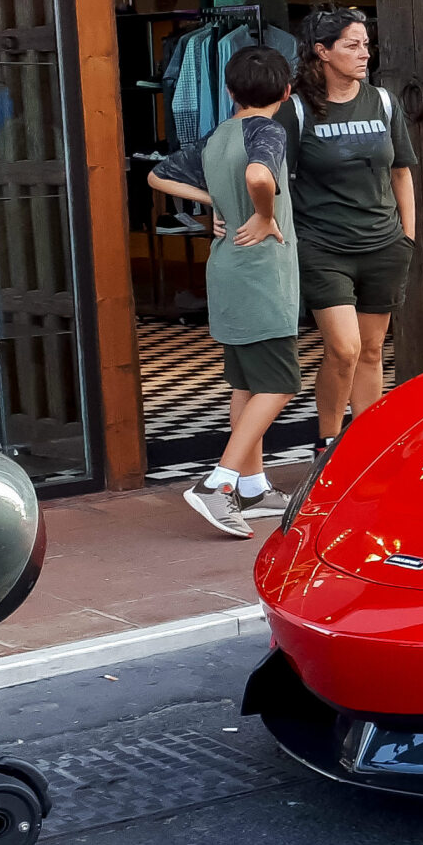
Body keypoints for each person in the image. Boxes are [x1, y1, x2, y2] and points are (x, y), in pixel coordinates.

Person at [144, 47, 301, 537]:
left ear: (230, 92)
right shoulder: (268, 130)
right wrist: (262, 212)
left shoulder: (218, 134)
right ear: (287, 92)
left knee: (246, 382)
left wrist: (214, 198)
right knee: (279, 383)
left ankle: (252, 487)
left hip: (227, 268)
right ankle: (219, 484)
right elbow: (259, 175)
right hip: (261, 274)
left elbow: (157, 174)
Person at [284, 3, 417, 450]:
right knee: (345, 348)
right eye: (352, 45)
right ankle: (328, 440)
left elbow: (401, 170)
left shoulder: (383, 101)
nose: (364, 54)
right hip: (323, 246)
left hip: (383, 243)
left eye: (366, 45)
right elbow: (267, 174)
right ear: (322, 52)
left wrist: (407, 236)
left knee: (374, 349)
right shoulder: (298, 111)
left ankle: (365, 444)